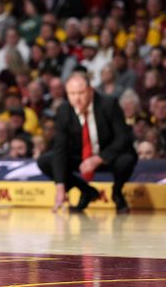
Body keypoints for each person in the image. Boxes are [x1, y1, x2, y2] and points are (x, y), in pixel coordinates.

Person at [37, 72, 137, 213]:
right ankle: (86, 191)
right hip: (80, 157)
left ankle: (117, 193)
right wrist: (60, 187)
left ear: (91, 90)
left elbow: (123, 138)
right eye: (72, 94)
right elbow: (60, 148)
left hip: (107, 156)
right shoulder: (64, 110)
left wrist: (98, 159)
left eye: (81, 93)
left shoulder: (109, 104)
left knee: (127, 159)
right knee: (46, 161)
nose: (76, 98)